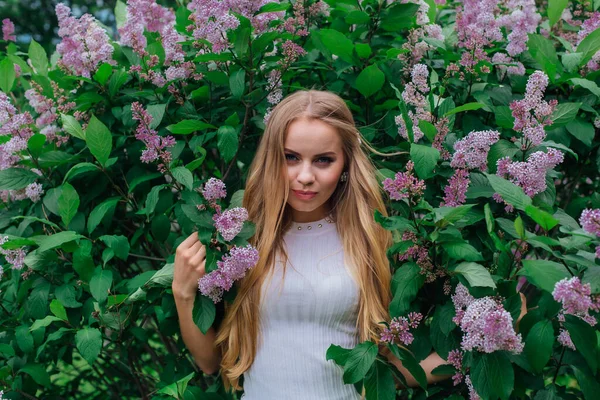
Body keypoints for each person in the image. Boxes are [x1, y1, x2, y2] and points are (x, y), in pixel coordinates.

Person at [172, 90, 525, 399]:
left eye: (323, 159)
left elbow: (386, 368)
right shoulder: (243, 243)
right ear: (272, 160)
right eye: (291, 157)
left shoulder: (372, 241)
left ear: (344, 164)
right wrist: (183, 293)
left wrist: (489, 335)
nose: (305, 176)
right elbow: (209, 362)